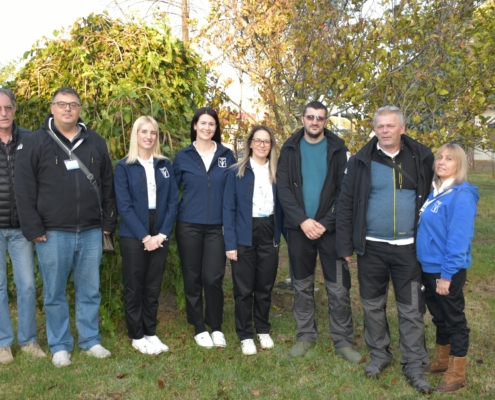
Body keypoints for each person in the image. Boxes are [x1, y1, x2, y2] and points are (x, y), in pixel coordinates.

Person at [14, 87, 117, 367]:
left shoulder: (95, 141)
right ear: (52, 108)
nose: (67, 109)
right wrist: (33, 227)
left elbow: (107, 183)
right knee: (54, 292)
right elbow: (23, 188)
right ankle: (60, 345)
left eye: (73, 104)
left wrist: (108, 220)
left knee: (90, 289)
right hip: (52, 232)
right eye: (62, 104)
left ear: (80, 109)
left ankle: (90, 340)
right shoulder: (35, 142)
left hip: (91, 230)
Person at [336, 106, 434, 393]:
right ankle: (379, 354)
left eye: (391, 126)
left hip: (409, 249)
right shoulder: (361, 161)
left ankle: (414, 362)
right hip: (372, 248)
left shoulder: (421, 158)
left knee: (411, 308)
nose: (385, 130)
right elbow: (345, 203)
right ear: (374, 128)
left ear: (402, 128)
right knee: (372, 305)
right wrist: (345, 245)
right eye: (380, 126)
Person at [276, 101, 361, 363]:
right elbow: (283, 190)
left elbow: (344, 192)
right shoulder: (289, 148)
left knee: (338, 288)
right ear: (302, 118)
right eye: (311, 117)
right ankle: (305, 335)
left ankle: (343, 340)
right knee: (302, 285)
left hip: (331, 231)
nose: (315, 122)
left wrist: (325, 222)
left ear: (326, 121)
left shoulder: (338, 149)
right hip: (299, 229)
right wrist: (303, 221)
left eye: (320, 118)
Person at [416, 143, 478, 392]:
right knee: (439, 316)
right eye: (439, 157)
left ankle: (457, 373)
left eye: (449, 159)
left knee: (454, 320)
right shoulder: (436, 191)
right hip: (429, 266)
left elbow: (458, 240)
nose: (441, 162)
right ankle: (442, 361)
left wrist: (447, 275)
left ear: (459, 164)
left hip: (446, 270)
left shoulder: (461, 196)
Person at [114, 116, 178, 355]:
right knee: (134, 286)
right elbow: (124, 206)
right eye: (144, 132)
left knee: (153, 286)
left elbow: (172, 201)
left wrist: (162, 234)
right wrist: (145, 237)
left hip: (159, 231)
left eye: (153, 133)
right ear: (136, 134)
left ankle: (150, 332)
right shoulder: (124, 166)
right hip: (134, 233)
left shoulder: (164, 165)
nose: (149, 137)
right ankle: (136, 335)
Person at [173, 107, 235, 348]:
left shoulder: (226, 155)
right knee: (192, 277)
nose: (207, 128)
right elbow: (171, 192)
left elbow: (233, 192)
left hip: (217, 227)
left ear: (216, 128)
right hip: (189, 225)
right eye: (203, 123)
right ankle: (199, 326)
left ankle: (216, 326)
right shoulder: (183, 156)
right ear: (195, 126)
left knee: (213, 277)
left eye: (212, 124)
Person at [223, 125, 281, 355]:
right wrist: (230, 243)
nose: (262, 145)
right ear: (250, 143)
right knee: (244, 288)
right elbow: (228, 209)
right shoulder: (236, 172)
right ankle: (246, 334)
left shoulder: (277, 172)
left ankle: (263, 329)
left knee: (265, 285)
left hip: (269, 230)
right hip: (244, 231)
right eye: (258, 140)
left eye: (266, 141)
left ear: (271, 145)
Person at [0, 89, 46, 364]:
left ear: (15, 110)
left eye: (7, 107)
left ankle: (28, 340)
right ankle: (2, 343)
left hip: (22, 228)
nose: (3, 113)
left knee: (27, 285)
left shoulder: (30, 139)